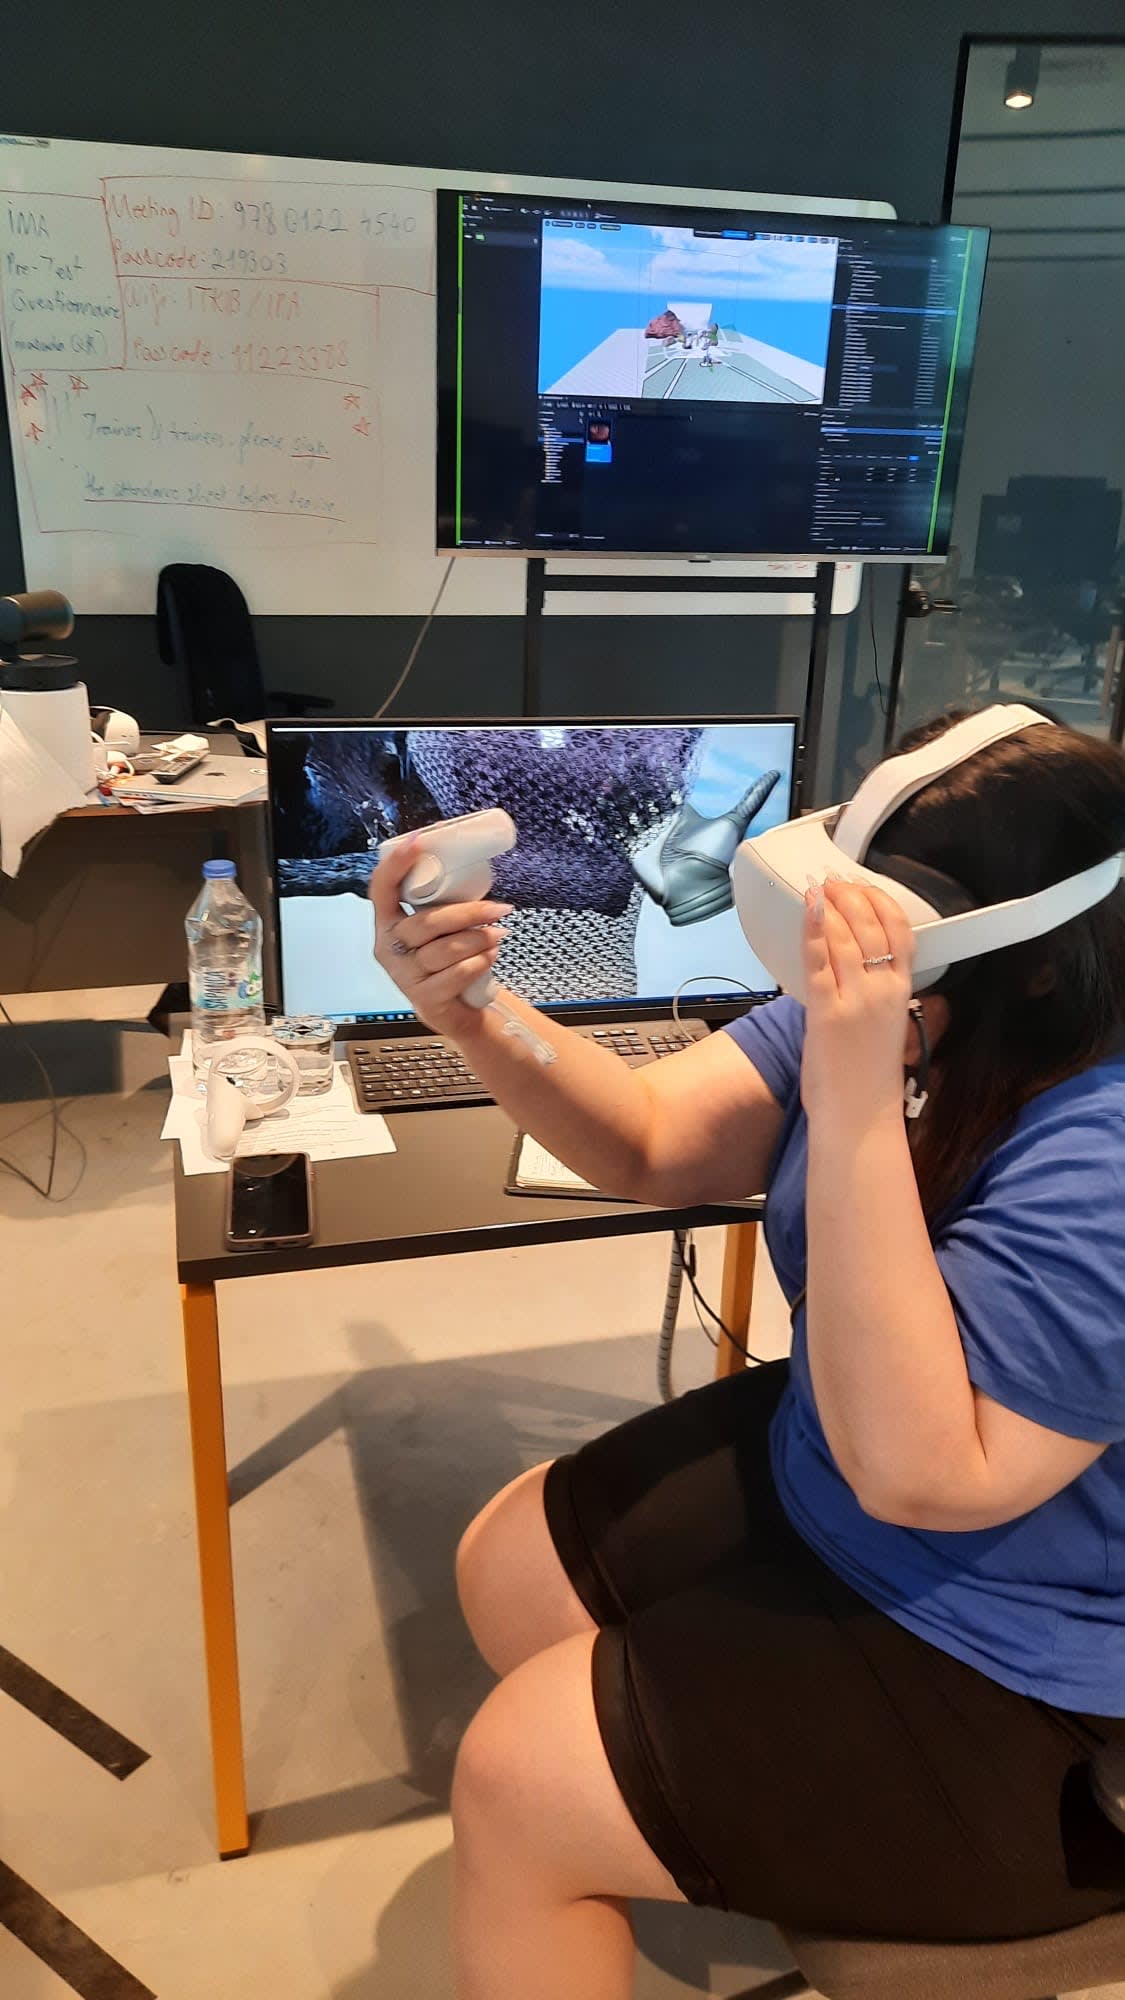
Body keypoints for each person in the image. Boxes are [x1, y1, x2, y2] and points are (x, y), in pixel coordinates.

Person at [367, 711, 1125, 2000]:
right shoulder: (908, 1013)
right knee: (511, 1564)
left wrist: (850, 1094)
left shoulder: (1092, 1147)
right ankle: (710, 1814)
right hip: (849, 1463)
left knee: (516, 1775)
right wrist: (476, 1010)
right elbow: (654, 1140)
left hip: (1039, 1638)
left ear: (1038, 966)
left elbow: (932, 1475)